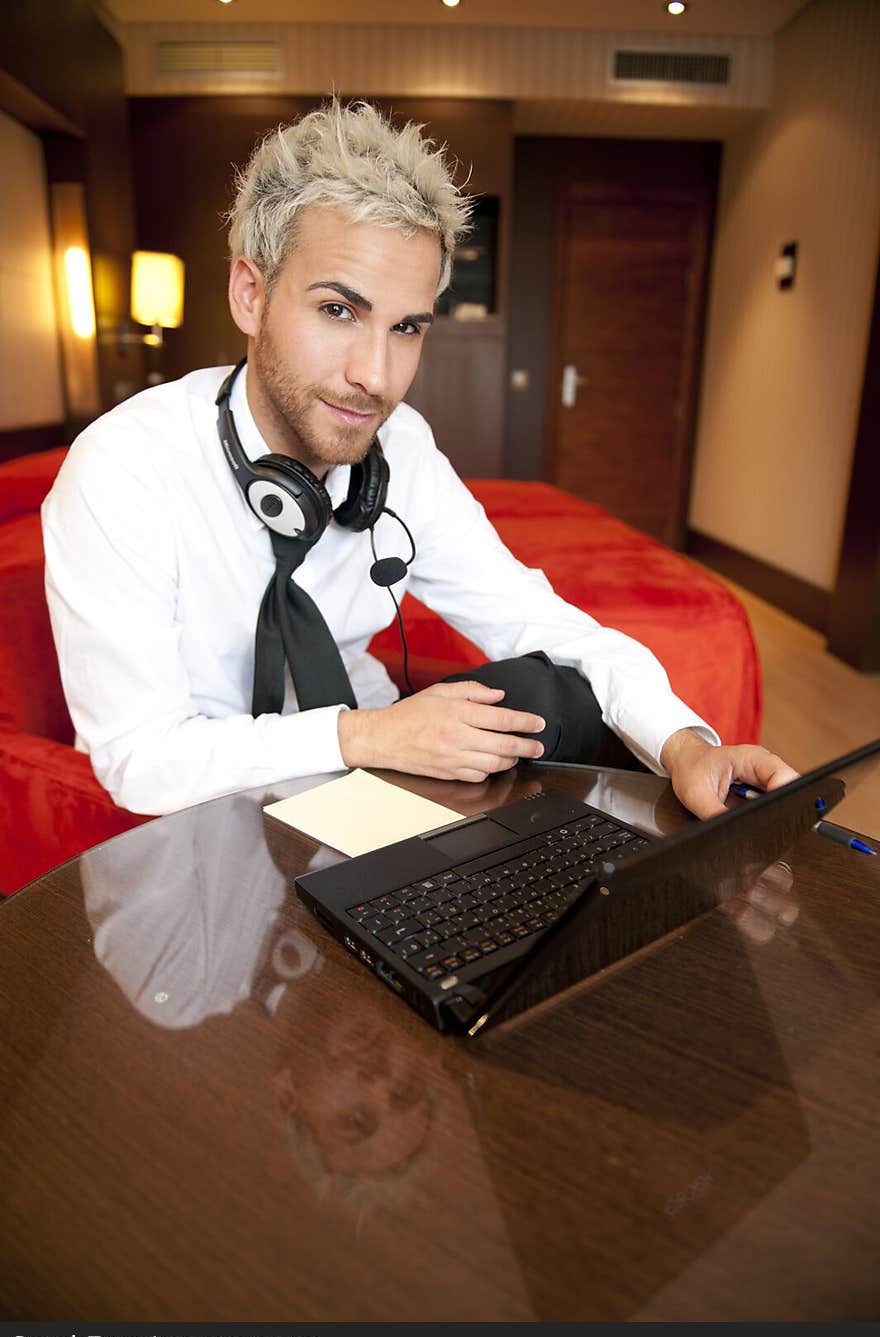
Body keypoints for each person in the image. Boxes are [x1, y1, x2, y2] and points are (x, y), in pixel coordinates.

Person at [42, 98, 797, 820]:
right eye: (339, 310)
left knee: (556, 690)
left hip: (376, 782)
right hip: (209, 806)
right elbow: (136, 759)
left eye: (406, 328)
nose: (377, 376)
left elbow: (540, 618)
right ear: (250, 292)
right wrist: (364, 735)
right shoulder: (122, 469)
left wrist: (685, 743)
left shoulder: (400, 450)